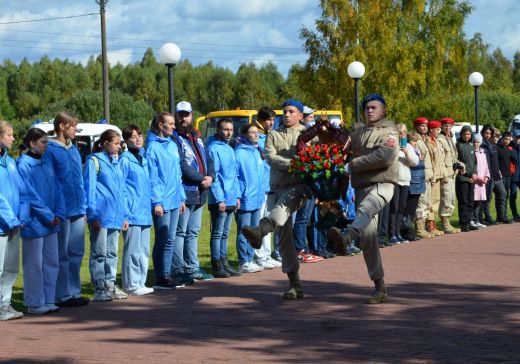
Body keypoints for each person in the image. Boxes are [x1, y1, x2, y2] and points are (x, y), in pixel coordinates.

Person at [328, 94, 399, 304]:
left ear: (383, 110)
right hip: (361, 187)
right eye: (367, 107)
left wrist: (353, 165)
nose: (369, 110)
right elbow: (343, 150)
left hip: (383, 184)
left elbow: (385, 156)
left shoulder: (390, 131)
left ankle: (348, 236)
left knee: (367, 209)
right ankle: (379, 286)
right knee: (368, 237)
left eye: (374, 107)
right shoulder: (358, 132)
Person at [242, 99, 314, 299]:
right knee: (283, 238)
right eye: (284, 112)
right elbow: (271, 157)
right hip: (278, 187)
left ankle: (261, 229)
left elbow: (318, 155)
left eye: (291, 111)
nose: (287, 115)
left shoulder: (309, 134)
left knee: (282, 208)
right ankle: (295, 284)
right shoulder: (273, 135)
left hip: (299, 187)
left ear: (300, 115)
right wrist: (294, 163)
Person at [18, 128, 65, 314]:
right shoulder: (24, 165)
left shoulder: (46, 162)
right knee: (34, 264)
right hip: (35, 222)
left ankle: (48, 298)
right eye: (43, 142)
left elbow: (57, 188)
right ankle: (34, 302)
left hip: (52, 221)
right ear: (31, 143)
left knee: (51, 262)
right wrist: (47, 215)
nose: (47, 146)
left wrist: (59, 213)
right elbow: (30, 194)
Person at [45, 112, 90, 307]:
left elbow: (78, 179)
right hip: (61, 209)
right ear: (62, 126)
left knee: (76, 252)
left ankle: (74, 291)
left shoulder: (73, 150)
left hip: (78, 208)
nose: (75, 131)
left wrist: (84, 206)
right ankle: (61, 294)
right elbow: (50, 181)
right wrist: (55, 208)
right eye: (73, 127)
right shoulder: (50, 149)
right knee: (61, 253)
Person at [84, 129, 129, 301]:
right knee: (99, 252)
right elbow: (89, 189)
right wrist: (93, 215)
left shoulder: (116, 163)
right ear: (105, 143)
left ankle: (110, 284)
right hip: (101, 216)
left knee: (112, 252)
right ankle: (99, 286)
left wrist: (125, 216)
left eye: (120, 144)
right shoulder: (94, 161)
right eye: (116, 143)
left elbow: (122, 191)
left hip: (115, 216)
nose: (119, 147)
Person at [173, 101, 215, 282]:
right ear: (176, 116)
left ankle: (192, 267)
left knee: (193, 231)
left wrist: (210, 177)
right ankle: (178, 269)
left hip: (201, 192)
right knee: (180, 232)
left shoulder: (197, 136)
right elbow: (181, 164)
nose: (184, 118)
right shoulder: (174, 138)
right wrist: (201, 179)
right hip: (186, 190)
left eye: (187, 114)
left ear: (191, 115)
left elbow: (209, 160)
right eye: (181, 114)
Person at [146, 113, 187, 289]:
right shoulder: (152, 147)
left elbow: (178, 173)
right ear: (160, 125)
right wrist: (157, 201)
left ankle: (167, 274)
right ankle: (160, 277)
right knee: (162, 239)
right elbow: (152, 177)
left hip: (175, 199)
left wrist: (182, 197)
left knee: (170, 239)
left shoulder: (172, 145)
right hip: (162, 201)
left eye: (173, 123)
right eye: (170, 123)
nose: (173, 126)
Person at [120, 125, 154, 295]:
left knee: (143, 250)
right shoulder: (125, 160)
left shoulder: (144, 158)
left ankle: (141, 281)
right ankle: (131, 283)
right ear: (126, 140)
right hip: (132, 213)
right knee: (132, 250)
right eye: (133, 136)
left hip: (144, 212)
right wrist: (125, 213)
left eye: (139, 135)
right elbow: (122, 188)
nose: (138, 138)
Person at [0, 120, 28, 320]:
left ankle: (5, 304)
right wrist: (11, 219)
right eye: (9, 134)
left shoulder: (10, 161)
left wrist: (23, 216)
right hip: (3, 225)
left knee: (10, 267)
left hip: (15, 224)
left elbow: (22, 190)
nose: (13, 138)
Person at [206, 119, 241, 278]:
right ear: (218, 130)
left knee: (226, 233)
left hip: (231, 197)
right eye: (225, 129)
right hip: (220, 198)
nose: (228, 133)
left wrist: (237, 196)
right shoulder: (213, 148)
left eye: (231, 129)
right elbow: (215, 177)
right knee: (217, 232)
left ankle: (225, 262)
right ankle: (216, 264)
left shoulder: (229, 148)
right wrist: (220, 199)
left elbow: (234, 175)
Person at [235, 124, 269, 273]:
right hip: (245, 197)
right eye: (252, 132)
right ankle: (244, 261)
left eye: (257, 132)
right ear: (244, 134)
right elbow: (236, 176)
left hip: (258, 197)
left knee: (254, 230)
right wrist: (239, 194)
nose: (256, 135)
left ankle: (251, 257)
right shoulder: (239, 153)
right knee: (244, 230)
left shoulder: (258, 151)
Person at [252, 107, 281, 269]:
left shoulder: (270, 135)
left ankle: (266, 254)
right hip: (260, 185)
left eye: (273, 120)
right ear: (262, 119)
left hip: (271, 183)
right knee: (260, 220)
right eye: (269, 119)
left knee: (269, 220)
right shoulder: (257, 137)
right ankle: (259, 255)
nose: (272, 123)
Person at [388, 123, 418, 245]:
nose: (402, 135)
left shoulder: (408, 147)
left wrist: (407, 152)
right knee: (394, 208)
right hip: (395, 180)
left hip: (405, 180)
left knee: (401, 208)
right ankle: (392, 234)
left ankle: (398, 233)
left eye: (404, 132)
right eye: (400, 132)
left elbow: (415, 162)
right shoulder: (392, 145)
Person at [437, 117, 461, 234]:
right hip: (445, 174)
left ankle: (448, 221)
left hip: (453, 173)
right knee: (446, 198)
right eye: (445, 125)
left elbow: (453, 156)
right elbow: (440, 159)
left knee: (451, 198)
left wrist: (460, 165)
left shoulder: (451, 139)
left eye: (450, 126)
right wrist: (444, 175)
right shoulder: (440, 139)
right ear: (441, 126)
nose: (447, 128)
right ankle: (445, 223)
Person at [480, 125, 507, 225]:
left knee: (503, 195)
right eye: (486, 133)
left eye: (489, 133)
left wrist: (498, 170)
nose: (488, 135)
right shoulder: (482, 145)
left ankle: (502, 216)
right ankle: (487, 217)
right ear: (483, 133)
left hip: (497, 176)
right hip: (488, 177)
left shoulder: (494, 145)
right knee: (487, 198)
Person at [412, 117, 434, 239]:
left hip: (428, 175)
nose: (424, 128)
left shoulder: (426, 139)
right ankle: (419, 228)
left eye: (426, 125)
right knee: (421, 202)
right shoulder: (417, 140)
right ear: (416, 127)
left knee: (427, 202)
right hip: (420, 174)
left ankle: (424, 226)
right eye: (421, 126)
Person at [424, 120, 447, 236]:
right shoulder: (427, 142)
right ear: (431, 130)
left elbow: (441, 160)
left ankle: (433, 222)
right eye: (437, 129)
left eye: (439, 129)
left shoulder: (437, 142)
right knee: (431, 200)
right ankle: (429, 223)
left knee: (437, 200)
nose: (439, 131)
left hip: (439, 175)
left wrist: (444, 175)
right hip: (432, 176)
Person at [455, 126, 479, 231]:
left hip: (471, 178)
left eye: (468, 134)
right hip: (462, 178)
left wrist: (473, 174)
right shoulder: (458, 145)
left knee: (470, 201)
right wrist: (469, 174)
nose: (466, 136)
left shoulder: (471, 146)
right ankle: (463, 223)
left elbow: (474, 163)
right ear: (461, 134)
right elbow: (459, 163)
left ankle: (469, 221)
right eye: (465, 134)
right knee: (463, 201)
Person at [404, 132, 426, 241]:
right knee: (409, 210)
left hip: (419, 183)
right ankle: (408, 232)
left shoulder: (416, 151)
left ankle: (409, 230)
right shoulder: (409, 151)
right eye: (413, 141)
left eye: (416, 142)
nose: (415, 144)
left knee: (412, 210)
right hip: (412, 183)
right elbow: (415, 165)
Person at [472, 134, 490, 226]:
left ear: (480, 143)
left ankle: (477, 220)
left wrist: (486, 177)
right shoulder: (472, 152)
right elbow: (471, 169)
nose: (476, 143)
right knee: (473, 200)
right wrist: (478, 178)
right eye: (474, 141)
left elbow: (486, 167)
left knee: (479, 201)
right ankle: (472, 220)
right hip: (475, 181)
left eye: (478, 142)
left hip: (482, 181)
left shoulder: (483, 153)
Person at [496, 131, 513, 223]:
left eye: (509, 139)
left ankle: (504, 215)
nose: (507, 141)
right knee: (500, 196)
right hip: (500, 176)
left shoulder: (507, 149)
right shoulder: (497, 148)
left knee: (506, 196)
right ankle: (500, 217)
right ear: (502, 138)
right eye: (505, 139)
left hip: (508, 175)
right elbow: (496, 162)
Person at [510, 130, 520, 221]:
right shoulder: (509, 147)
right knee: (513, 196)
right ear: (513, 137)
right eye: (516, 137)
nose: (518, 139)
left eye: (519, 137)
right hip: (513, 176)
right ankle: (515, 215)